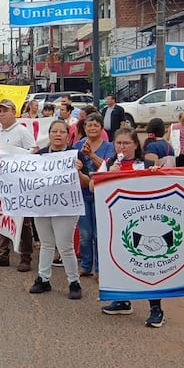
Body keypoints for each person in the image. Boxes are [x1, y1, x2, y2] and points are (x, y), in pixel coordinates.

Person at [100, 128, 165, 327]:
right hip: (117, 221)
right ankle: (123, 300)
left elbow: (160, 189)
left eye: (126, 143)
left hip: (144, 222)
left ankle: (155, 308)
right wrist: (108, 176)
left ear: (136, 145)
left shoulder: (145, 164)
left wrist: (156, 174)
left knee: (149, 263)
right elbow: (94, 188)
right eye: (118, 143)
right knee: (120, 258)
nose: (122, 147)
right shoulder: (110, 163)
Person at [28, 119, 83, 299]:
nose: (58, 135)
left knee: (65, 246)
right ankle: (43, 279)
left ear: (68, 135)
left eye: (62, 131)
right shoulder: (40, 155)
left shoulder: (75, 156)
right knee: (46, 244)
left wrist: (79, 172)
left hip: (65, 207)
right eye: (54, 131)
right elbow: (26, 177)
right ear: (49, 134)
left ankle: (74, 282)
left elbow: (87, 182)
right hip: (43, 206)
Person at [0, 99, 36, 271]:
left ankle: (25, 256)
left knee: (24, 221)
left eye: (5, 110)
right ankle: (2, 254)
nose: (1, 114)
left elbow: (33, 152)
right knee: (2, 217)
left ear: (14, 112)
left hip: (20, 183)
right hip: (3, 181)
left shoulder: (22, 131)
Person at [73, 113, 115, 277]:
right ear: (84, 128)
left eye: (96, 125)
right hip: (81, 194)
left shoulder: (109, 147)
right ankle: (86, 265)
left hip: (101, 195)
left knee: (99, 234)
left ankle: (99, 268)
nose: (92, 128)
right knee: (85, 234)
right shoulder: (76, 146)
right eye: (89, 125)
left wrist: (91, 155)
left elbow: (107, 167)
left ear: (101, 128)